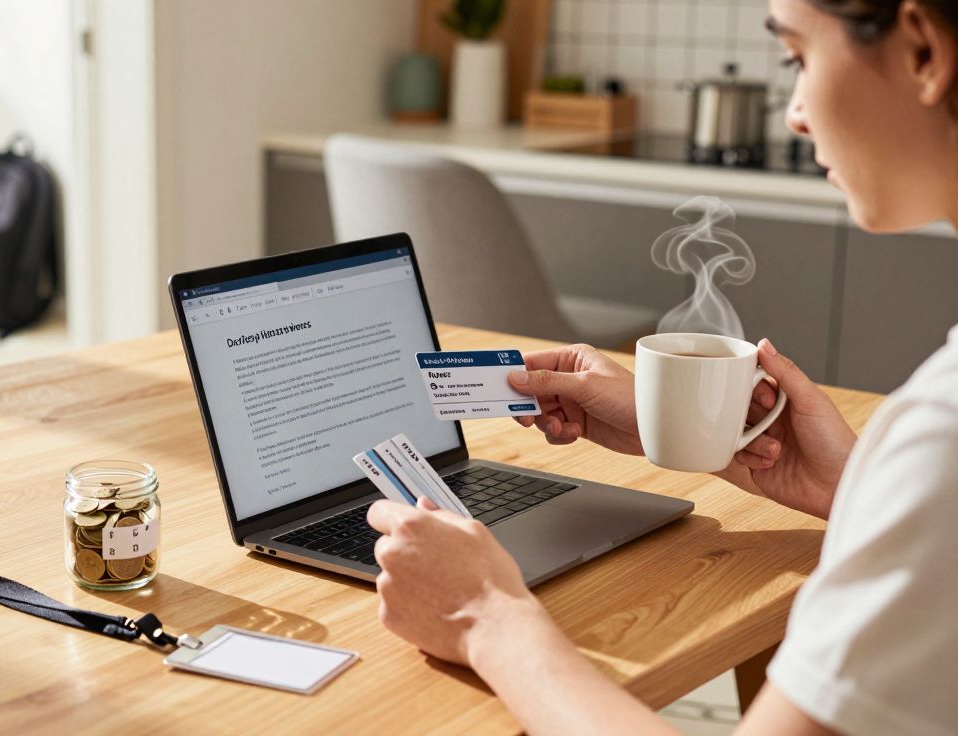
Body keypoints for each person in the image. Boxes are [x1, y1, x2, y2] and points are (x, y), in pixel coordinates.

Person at [366, 1, 958, 734]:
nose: (796, 115)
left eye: (798, 58)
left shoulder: (944, 431)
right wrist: (853, 485)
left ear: (925, 54)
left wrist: (487, 616)